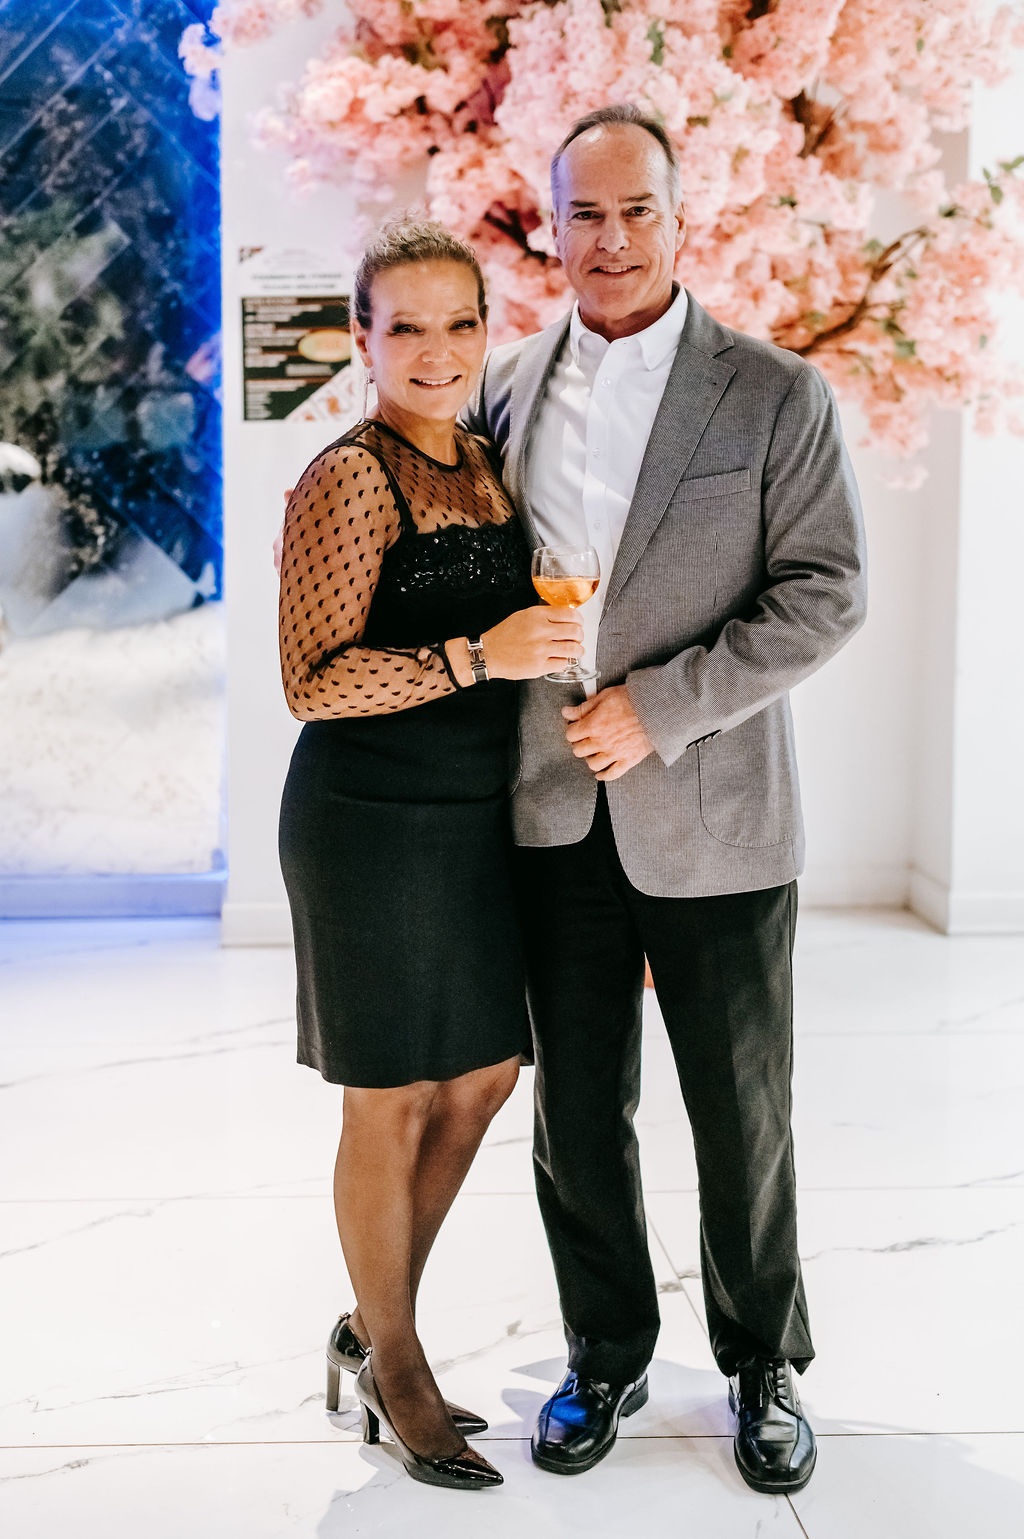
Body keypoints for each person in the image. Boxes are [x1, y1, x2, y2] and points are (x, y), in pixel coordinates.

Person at [464, 103, 867, 1494]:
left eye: (638, 209)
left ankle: (763, 1362)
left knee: (742, 1111)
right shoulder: (502, 389)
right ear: (551, 227)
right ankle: (604, 1351)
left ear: (684, 220)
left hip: (719, 811)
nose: (612, 237)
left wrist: (667, 705)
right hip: (548, 810)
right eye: (585, 212)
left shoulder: (774, 394)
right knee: (577, 1111)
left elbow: (826, 592)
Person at [277, 218, 584, 1492]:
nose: (436, 349)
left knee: (486, 1075)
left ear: (487, 329)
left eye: (460, 322)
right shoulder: (350, 476)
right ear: (363, 338)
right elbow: (310, 682)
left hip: (472, 817)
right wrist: (474, 656)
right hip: (366, 818)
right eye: (404, 325)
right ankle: (395, 1359)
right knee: (390, 1093)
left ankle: (369, 1317)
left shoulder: (486, 462)